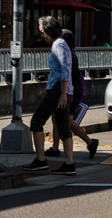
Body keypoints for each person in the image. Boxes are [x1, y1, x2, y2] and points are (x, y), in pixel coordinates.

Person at [23, 16, 76, 175]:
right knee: (64, 129)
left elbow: (65, 70)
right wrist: (47, 90)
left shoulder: (58, 45)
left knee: (36, 122)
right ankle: (69, 165)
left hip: (59, 92)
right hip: (62, 90)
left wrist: (62, 94)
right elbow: (58, 72)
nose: (42, 35)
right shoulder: (62, 44)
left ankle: (40, 160)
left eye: (42, 32)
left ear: (48, 30)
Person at [45, 30, 99, 160]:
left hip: (70, 90)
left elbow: (64, 74)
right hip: (71, 89)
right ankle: (55, 147)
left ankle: (90, 142)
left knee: (67, 121)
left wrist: (61, 93)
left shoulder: (67, 53)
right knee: (56, 118)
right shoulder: (69, 52)